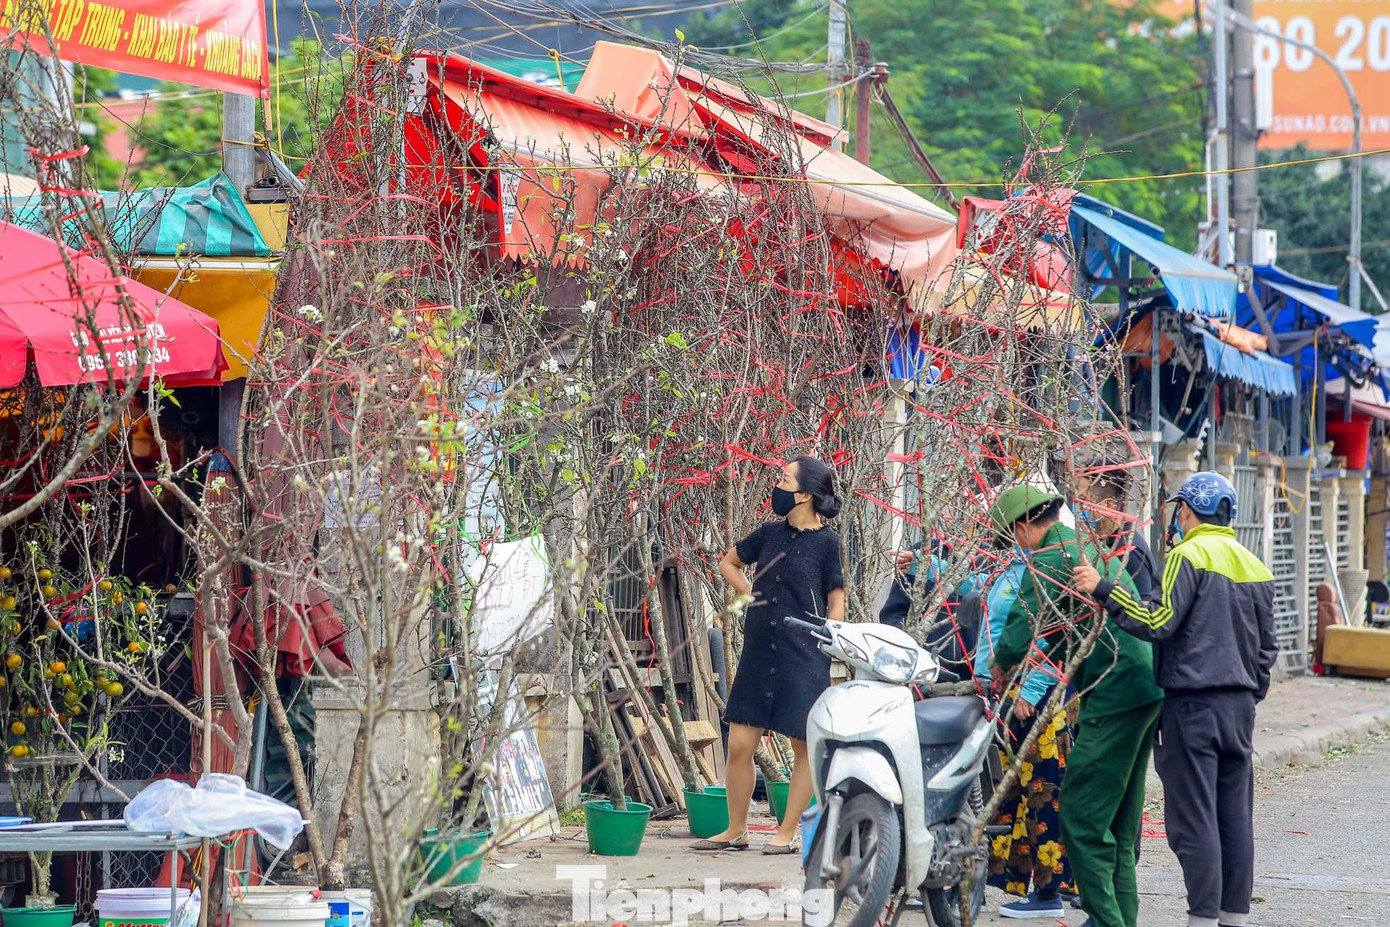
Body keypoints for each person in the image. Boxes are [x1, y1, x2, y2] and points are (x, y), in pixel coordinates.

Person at [1072, 472, 1278, 927]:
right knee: (1234, 818)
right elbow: (1268, 649)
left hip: (1192, 706)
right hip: (1239, 708)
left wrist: (1105, 590)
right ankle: (1232, 918)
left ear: (1187, 511)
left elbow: (1159, 620)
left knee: (1194, 818)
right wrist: (1249, 691)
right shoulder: (1255, 563)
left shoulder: (1188, 554)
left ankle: (1201, 919)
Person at [988, 484, 1164, 927]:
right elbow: (1058, 627)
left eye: (1012, 539)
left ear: (1025, 527)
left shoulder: (1049, 559)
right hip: (1144, 687)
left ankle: (1106, 921)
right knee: (1120, 827)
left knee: (1082, 820)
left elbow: (1022, 628)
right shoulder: (1084, 547)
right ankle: (1121, 919)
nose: (1015, 550)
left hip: (1114, 691)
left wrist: (1001, 665)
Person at [691, 456, 845, 855]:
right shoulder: (769, 533)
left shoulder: (828, 542)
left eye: (784, 478)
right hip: (760, 650)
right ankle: (736, 829)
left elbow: (836, 598)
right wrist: (751, 595)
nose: (777, 484)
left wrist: (830, 638)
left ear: (806, 493)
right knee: (740, 743)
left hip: (804, 652)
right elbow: (729, 562)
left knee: (802, 745)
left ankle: (786, 831)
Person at [975, 544, 1076, 919]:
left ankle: (1048, 891)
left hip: (1037, 698)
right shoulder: (1009, 564)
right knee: (1000, 796)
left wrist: (1032, 690)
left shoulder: (1050, 566)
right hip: (1004, 694)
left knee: (1041, 794)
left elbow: (1057, 634)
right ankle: (979, 885)